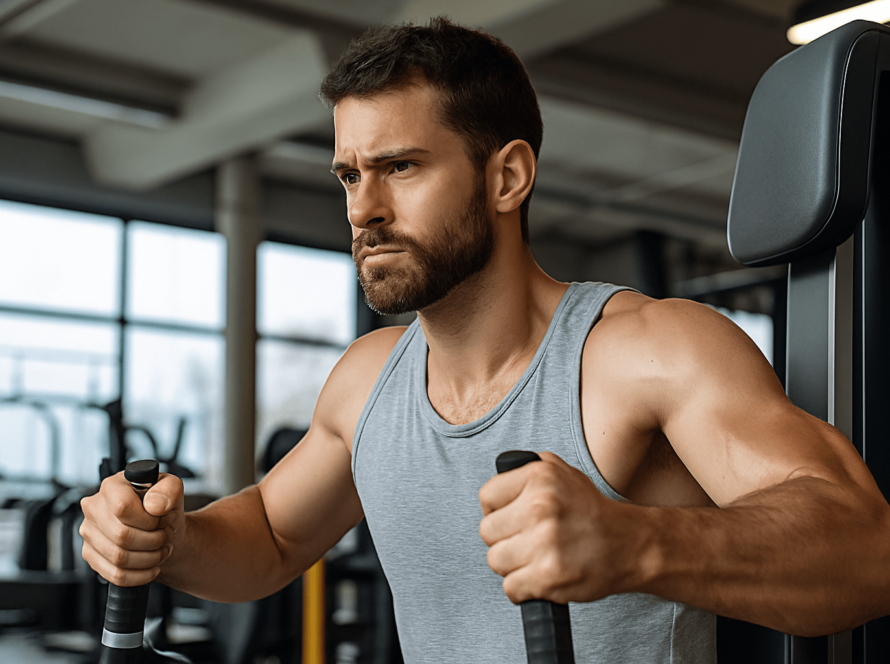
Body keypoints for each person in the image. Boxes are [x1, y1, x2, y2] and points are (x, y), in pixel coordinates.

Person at [80, 17, 890, 663]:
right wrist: (171, 541)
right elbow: (270, 539)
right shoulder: (368, 380)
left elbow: (866, 553)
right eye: (349, 176)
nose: (364, 210)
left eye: (400, 167)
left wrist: (634, 541)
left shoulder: (647, 351)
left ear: (507, 177)